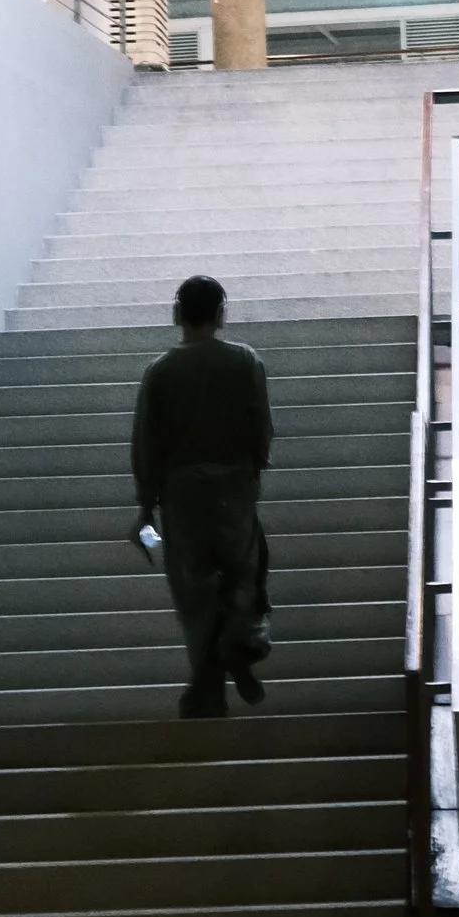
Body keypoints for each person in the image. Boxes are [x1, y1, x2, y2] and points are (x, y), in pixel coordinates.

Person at [132, 274, 273, 718]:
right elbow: (261, 428)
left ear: (177, 313)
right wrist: (252, 474)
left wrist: (144, 507)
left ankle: (207, 683)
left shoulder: (160, 372)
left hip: (182, 496)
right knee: (242, 576)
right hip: (234, 489)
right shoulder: (244, 361)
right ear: (221, 314)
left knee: (194, 592)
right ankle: (240, 642)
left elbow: (145, 442)